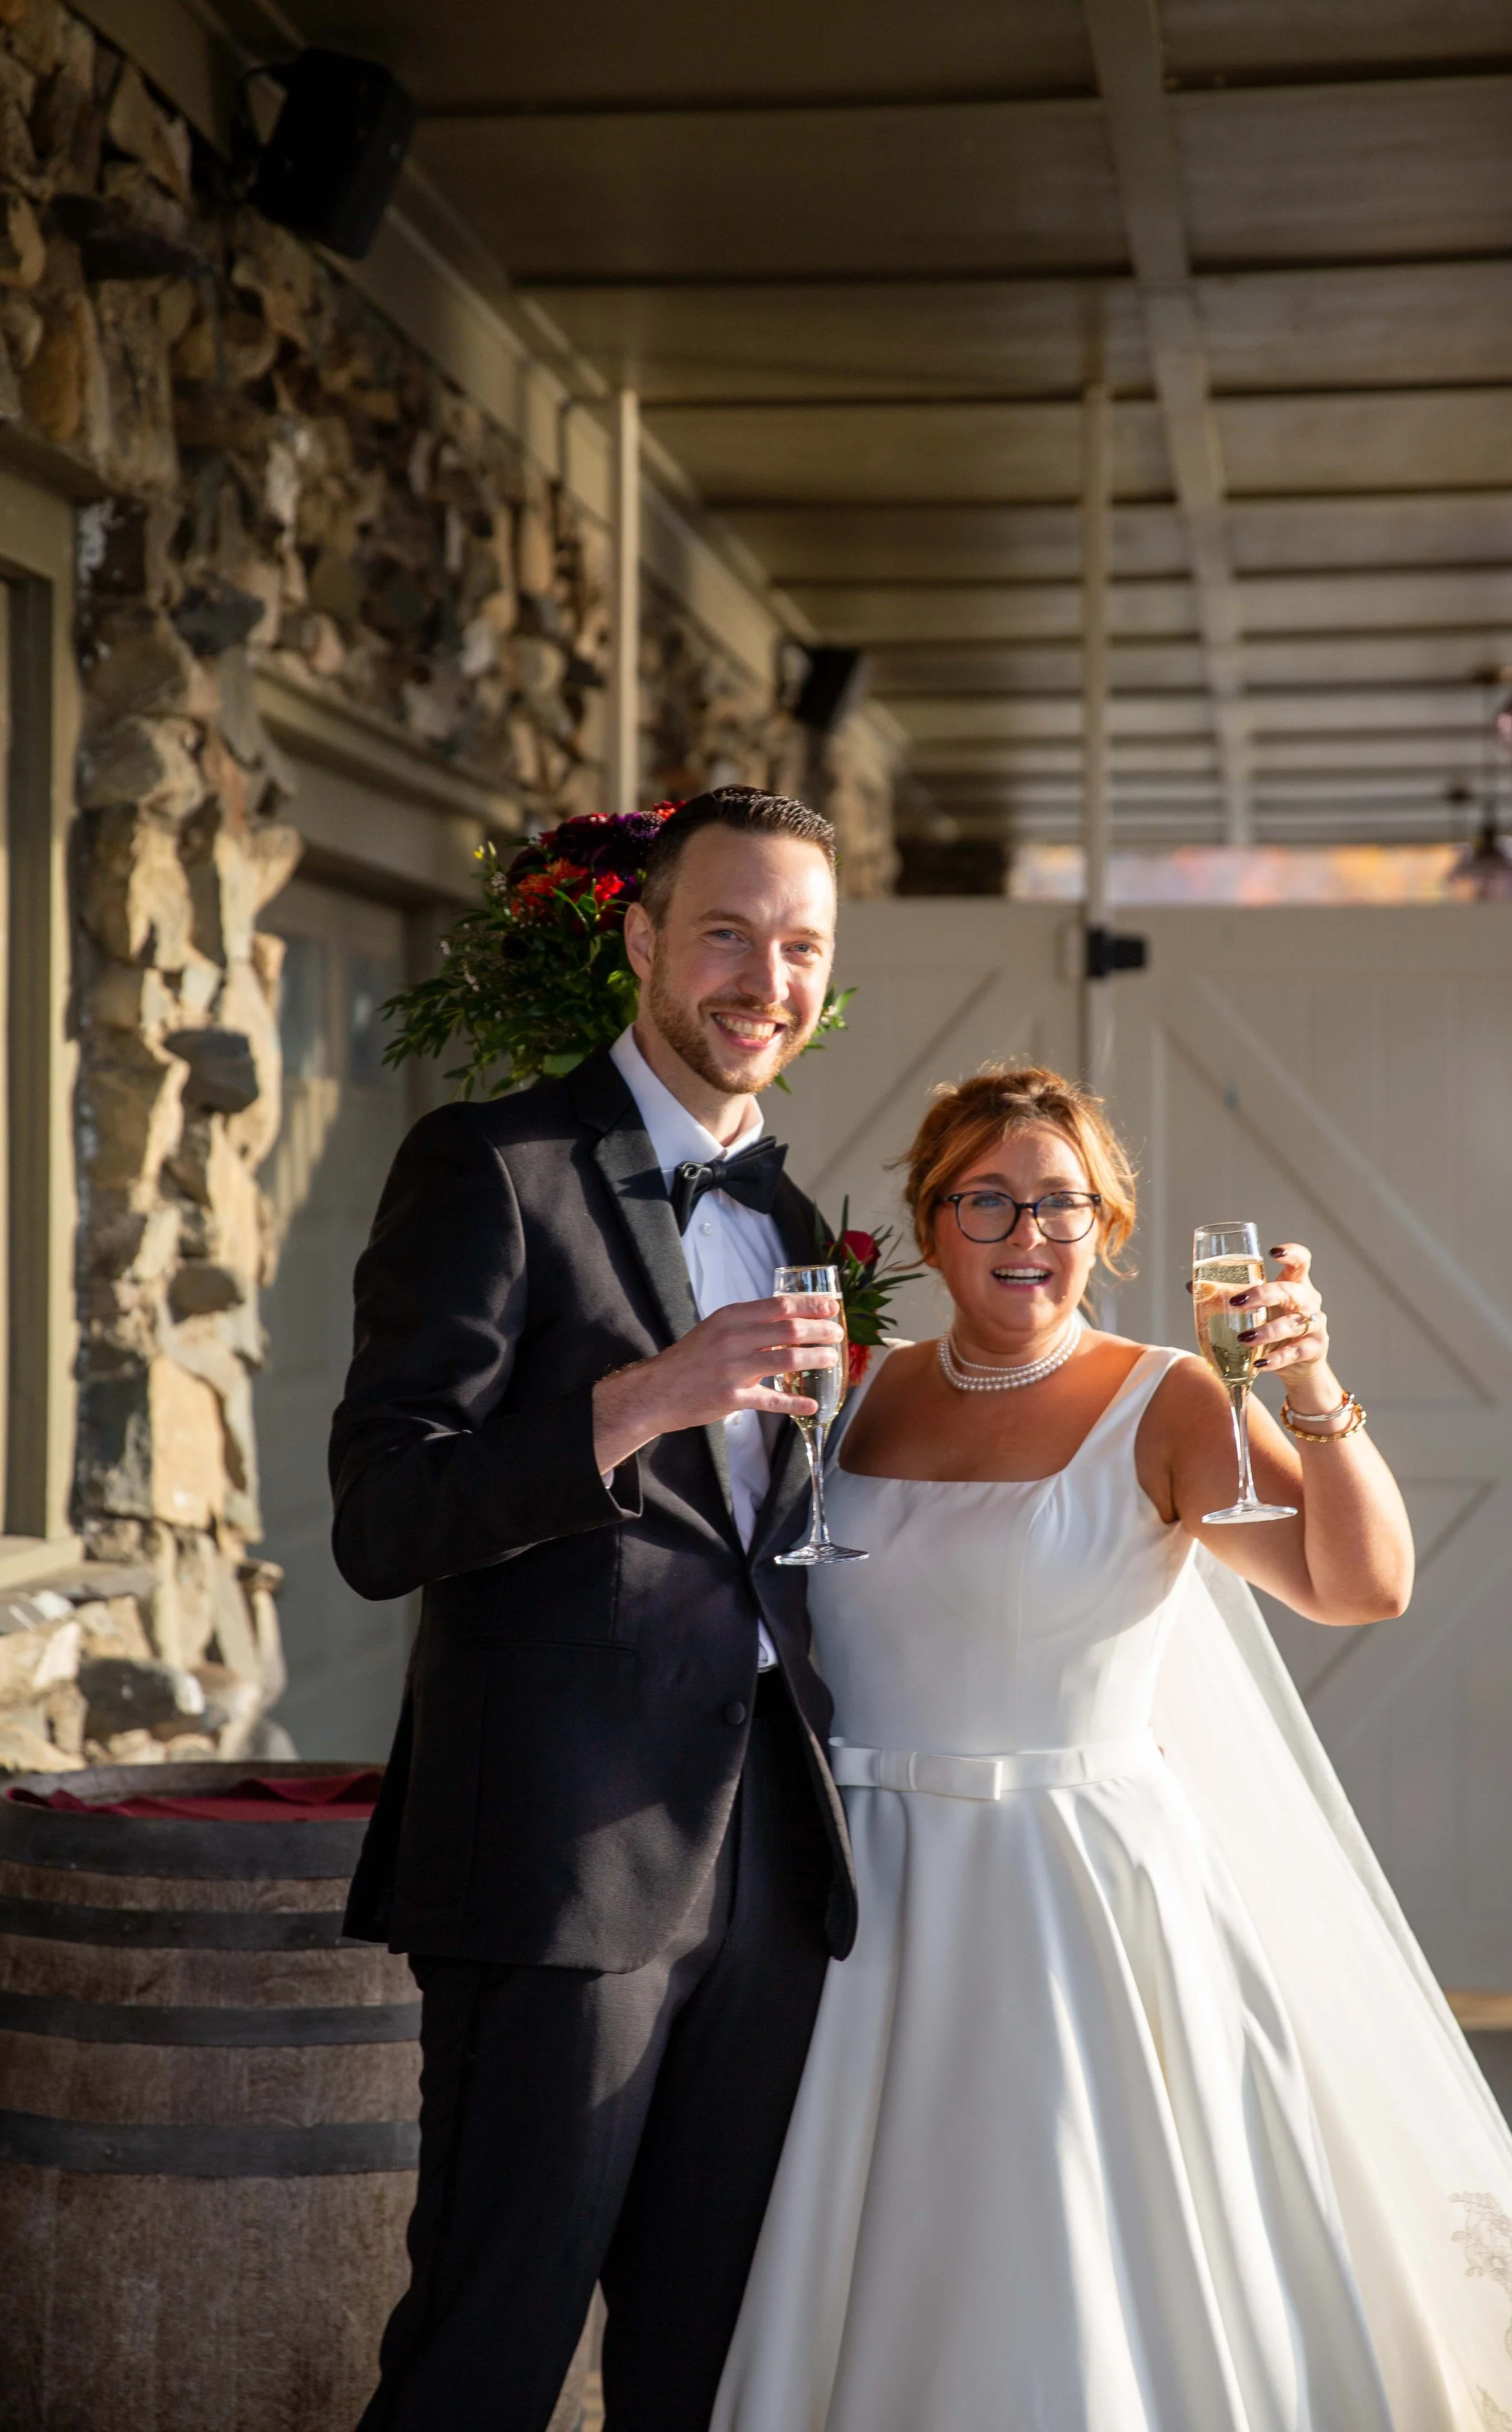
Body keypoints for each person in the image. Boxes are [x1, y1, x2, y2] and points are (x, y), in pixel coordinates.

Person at [711, 1064, 1512, 2432]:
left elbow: (1356, 1584)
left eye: (1062, 1205)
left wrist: (1310, 1378)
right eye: (991, 1201)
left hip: (1072, 1893)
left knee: (1060, 2240)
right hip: (860, 1893)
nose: (1029, 1234)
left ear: (1109, 1225)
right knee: (881, 2244)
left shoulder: (1168, 1401)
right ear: (929, 1221)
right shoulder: (855, 1391)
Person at [331, 787, 858, 2432]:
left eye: (797, 948)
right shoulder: (488, 1165)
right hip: (556, 1861)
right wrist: (640, 1399)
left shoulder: (786, 1214)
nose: (760, 979)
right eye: (723, 933)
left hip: (766, 1859)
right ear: (637, 939)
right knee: (488, 2346)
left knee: (705, 2356)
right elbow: (383, 1514)